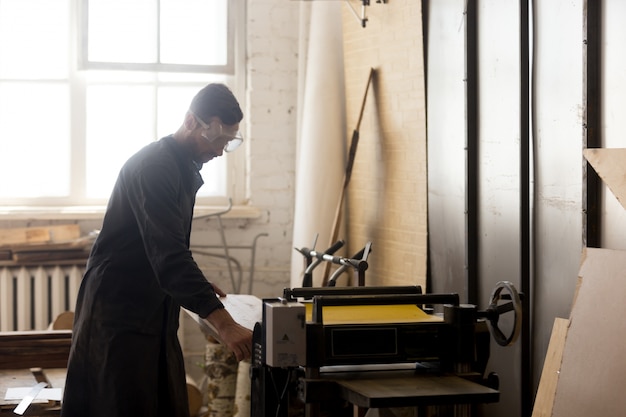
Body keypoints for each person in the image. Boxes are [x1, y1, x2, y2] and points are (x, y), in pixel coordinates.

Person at [61, 83, 253, 417]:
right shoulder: (155, 168)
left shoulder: (182, 167)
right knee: (120, 406)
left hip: (151, 309)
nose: (220, 151)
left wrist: (199, 288)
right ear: (191, 122)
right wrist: (225, 325)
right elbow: (169, 255)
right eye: (217, 139)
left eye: (228, 142)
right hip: (119, 314)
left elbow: (166, 247)